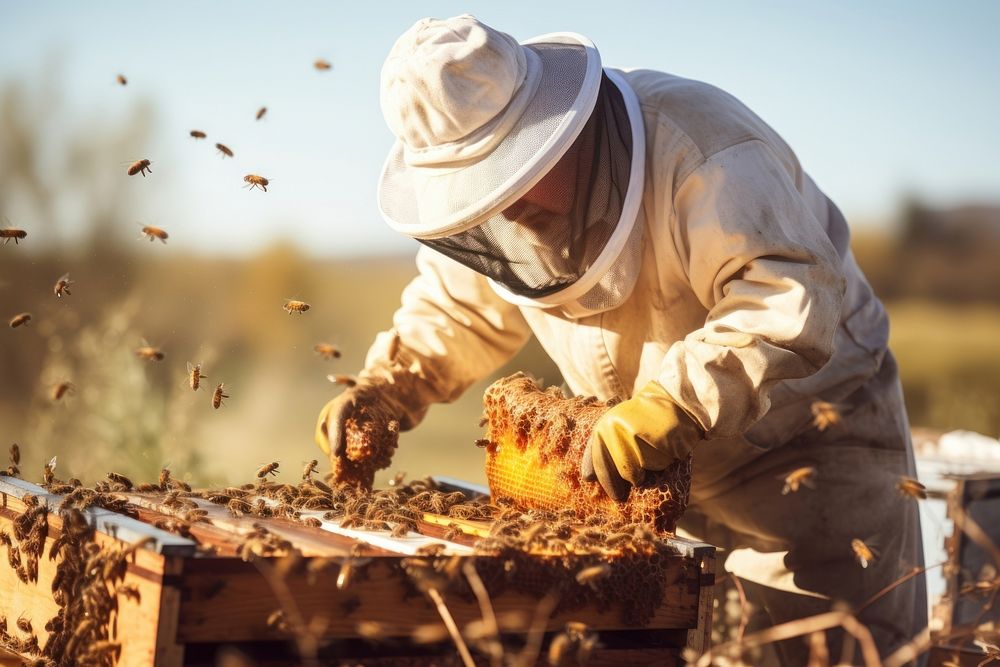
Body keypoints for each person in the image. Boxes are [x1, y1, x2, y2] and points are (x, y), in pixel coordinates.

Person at [315, 15, 926, 664]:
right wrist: (388, 385)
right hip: (644, 485)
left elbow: (785, 295)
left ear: (557, 132)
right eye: (479, 190)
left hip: (807, 461)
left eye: (511, 173)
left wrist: (676, 402)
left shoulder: (705, 148)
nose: (506, 207)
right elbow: (456, 308)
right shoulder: (501, 216)